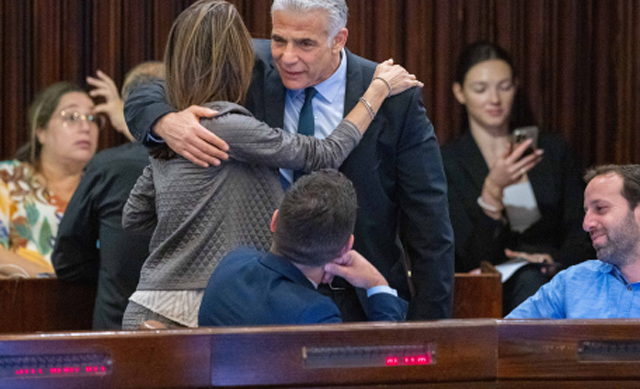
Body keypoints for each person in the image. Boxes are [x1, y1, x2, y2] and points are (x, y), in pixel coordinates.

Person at [124, 0, 454, 321]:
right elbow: (145, 93)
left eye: (306, 44)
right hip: (259, 300)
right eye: (279, 39)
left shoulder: (393, 95)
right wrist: (164, 122)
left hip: (357, 301)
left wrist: (433, 325)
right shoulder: (247, 64)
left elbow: (430, 224)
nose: (288, 57)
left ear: (338, 39)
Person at [442, 41, 594, 314]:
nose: (494, 99)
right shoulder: (447, 162)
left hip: (554, 275)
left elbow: (581, 228)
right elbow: (464, 257)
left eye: (504, 86)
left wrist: (552, 259)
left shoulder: (552, 151)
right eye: (481, 89)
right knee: (528, 282)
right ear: (459, 92)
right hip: (486, 289)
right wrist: (492, 191)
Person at [199, 169, 407, 326]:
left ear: (274, 221)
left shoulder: (231, 264)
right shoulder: (317, 314)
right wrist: (376, 283)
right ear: (346, 248)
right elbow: (375, 372)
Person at [52, 62, 164, 330]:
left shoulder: (108, 167)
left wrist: (110, 271)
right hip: (199, 344)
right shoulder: (218, 161)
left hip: (117, 337)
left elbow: (67, 261)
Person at [507, 164, 640, 319]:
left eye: (600, 208)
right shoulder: (572, 282)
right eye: (586, 212)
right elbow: (501, 337)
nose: (586, 224)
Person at [0, 82, 100, 276]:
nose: (86, 127)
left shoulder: (104, 191)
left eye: (92, 118)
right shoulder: (8, 179)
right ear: (41, 131)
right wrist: (53, 281)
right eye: (71, 117)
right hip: (23, 300)